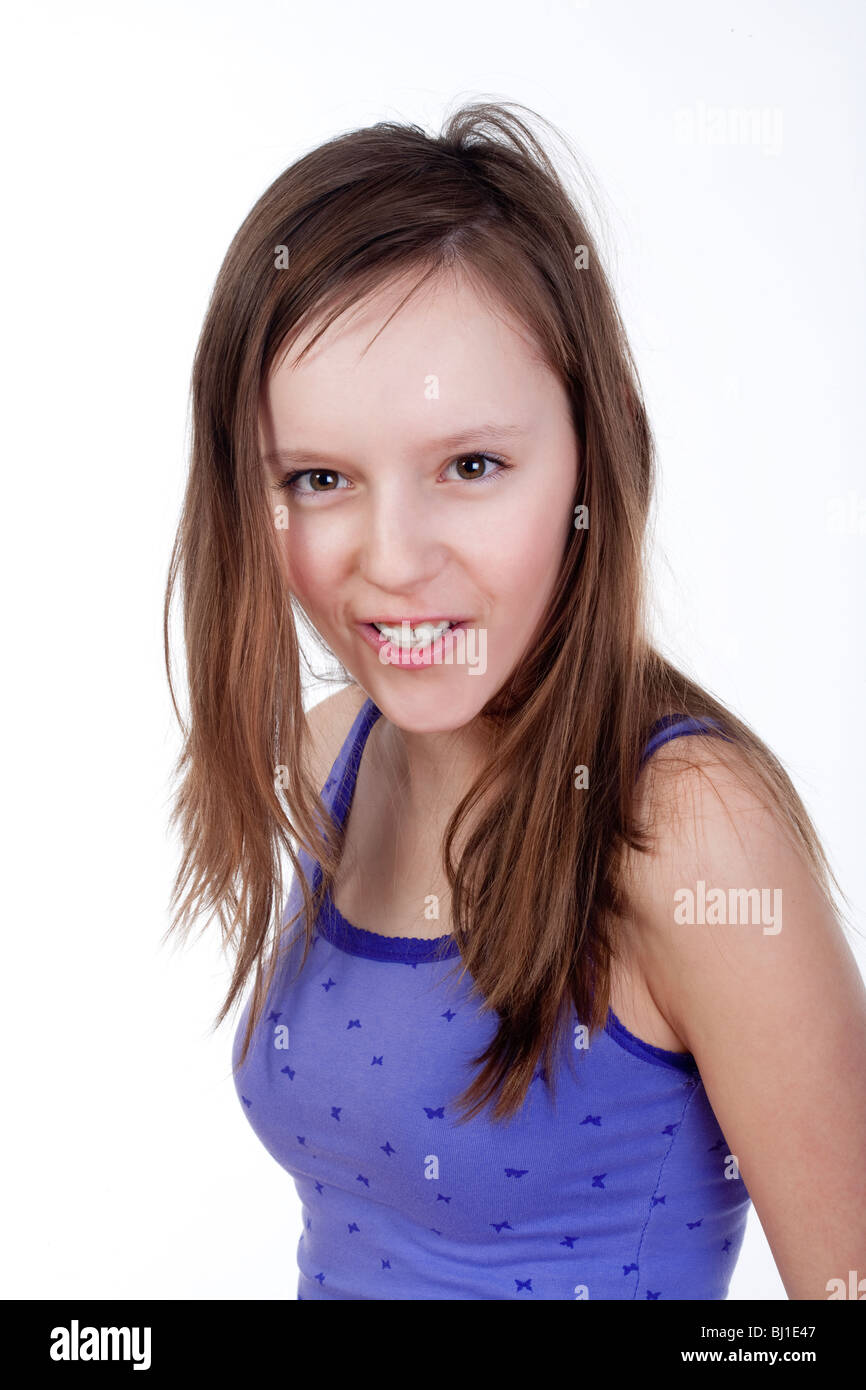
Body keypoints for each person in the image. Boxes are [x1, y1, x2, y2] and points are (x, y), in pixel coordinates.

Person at [163, 101, 866, 1300]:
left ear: (593, 454)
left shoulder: (683, 826)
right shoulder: (336, 755)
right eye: (320, 478)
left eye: (471, 466)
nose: (391, 556)